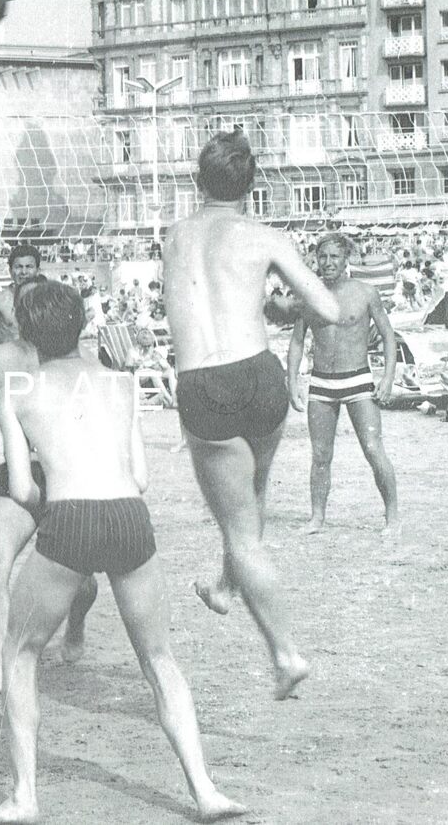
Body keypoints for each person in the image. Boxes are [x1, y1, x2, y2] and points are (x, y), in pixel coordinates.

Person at [0, 281, 243, 825]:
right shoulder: (122, 384)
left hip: (70, 517)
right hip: (129, 516)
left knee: (19, 652)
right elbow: (141, 478)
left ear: (26, 334)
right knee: (159, 658)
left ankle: (25, 797)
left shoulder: (18, 389)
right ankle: (205, 790)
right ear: (80, 325)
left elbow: (23, 489)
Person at [163, 131, 341, 700]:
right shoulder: (265, 235)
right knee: (251, 498)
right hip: (261, 376)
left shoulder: (174, 236)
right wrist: (281, 306)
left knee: (241, 530)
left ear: (198, 179)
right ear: (252, 184)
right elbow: (329, 307)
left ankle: (286, 653)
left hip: (204, 380)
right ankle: (223, 585)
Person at [0, 274, 99, 701]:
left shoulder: (81, 358)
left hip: (66, 477)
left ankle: (75, 624)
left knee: (83, 583)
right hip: (18, 475)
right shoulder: (0, 357)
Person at [287, 234, 400, 537]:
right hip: (321, 383)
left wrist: (387, 377)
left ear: (346, 258)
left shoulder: (365, 292)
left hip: (358, 380)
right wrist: (292, 382)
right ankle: (317, 518)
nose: (328, 263)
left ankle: (392, 517)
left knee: (373, 449)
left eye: (334, 256)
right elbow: (297, 341)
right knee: (320, 455)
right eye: (323, 257)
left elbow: (389, 336)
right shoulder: (309, 295)